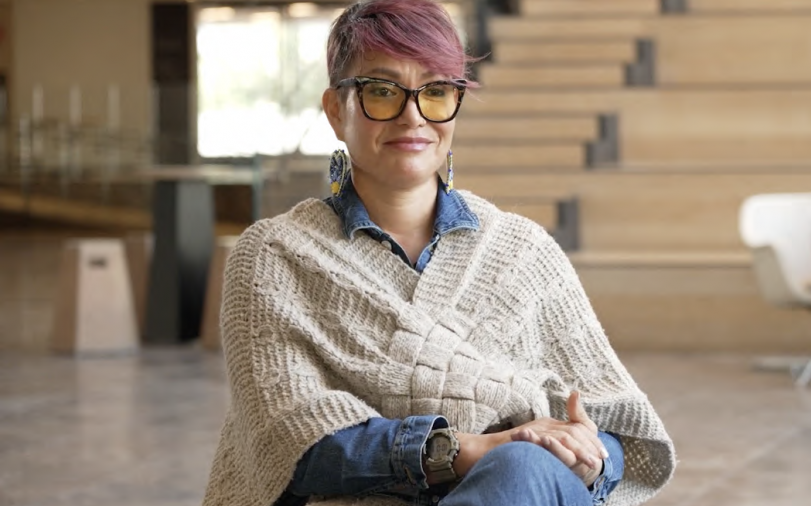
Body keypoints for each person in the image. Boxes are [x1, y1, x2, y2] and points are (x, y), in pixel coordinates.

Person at [201, 1, 675, 505]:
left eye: (436, 92)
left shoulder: (523, 252)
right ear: (336, 110)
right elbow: (293, 445)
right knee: (517, 461)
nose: (413, 116)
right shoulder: (273, 256)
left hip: (524, 491)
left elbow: (621, 429)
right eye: (382, 92)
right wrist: (466, 449)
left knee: (523, 469)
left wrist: (585, 454)